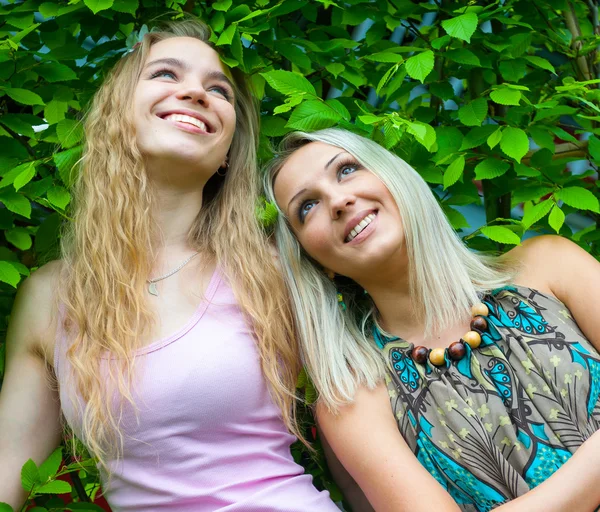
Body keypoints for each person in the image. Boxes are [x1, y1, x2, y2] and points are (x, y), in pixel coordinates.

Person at [0, 20, 340, 512]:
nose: (196, 93)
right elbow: (9, 474)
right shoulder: (51, 296)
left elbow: (365, 432)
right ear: (118, 112)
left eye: (217, 89)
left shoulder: (278, 267)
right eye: (165, 74)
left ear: (227, 153)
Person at [265, 127, 600, 512]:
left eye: (346, 170)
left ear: (395, 178)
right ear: (313, 261)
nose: (338, 200)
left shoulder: (552, 266)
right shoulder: (353, 395)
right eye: (307, 206)